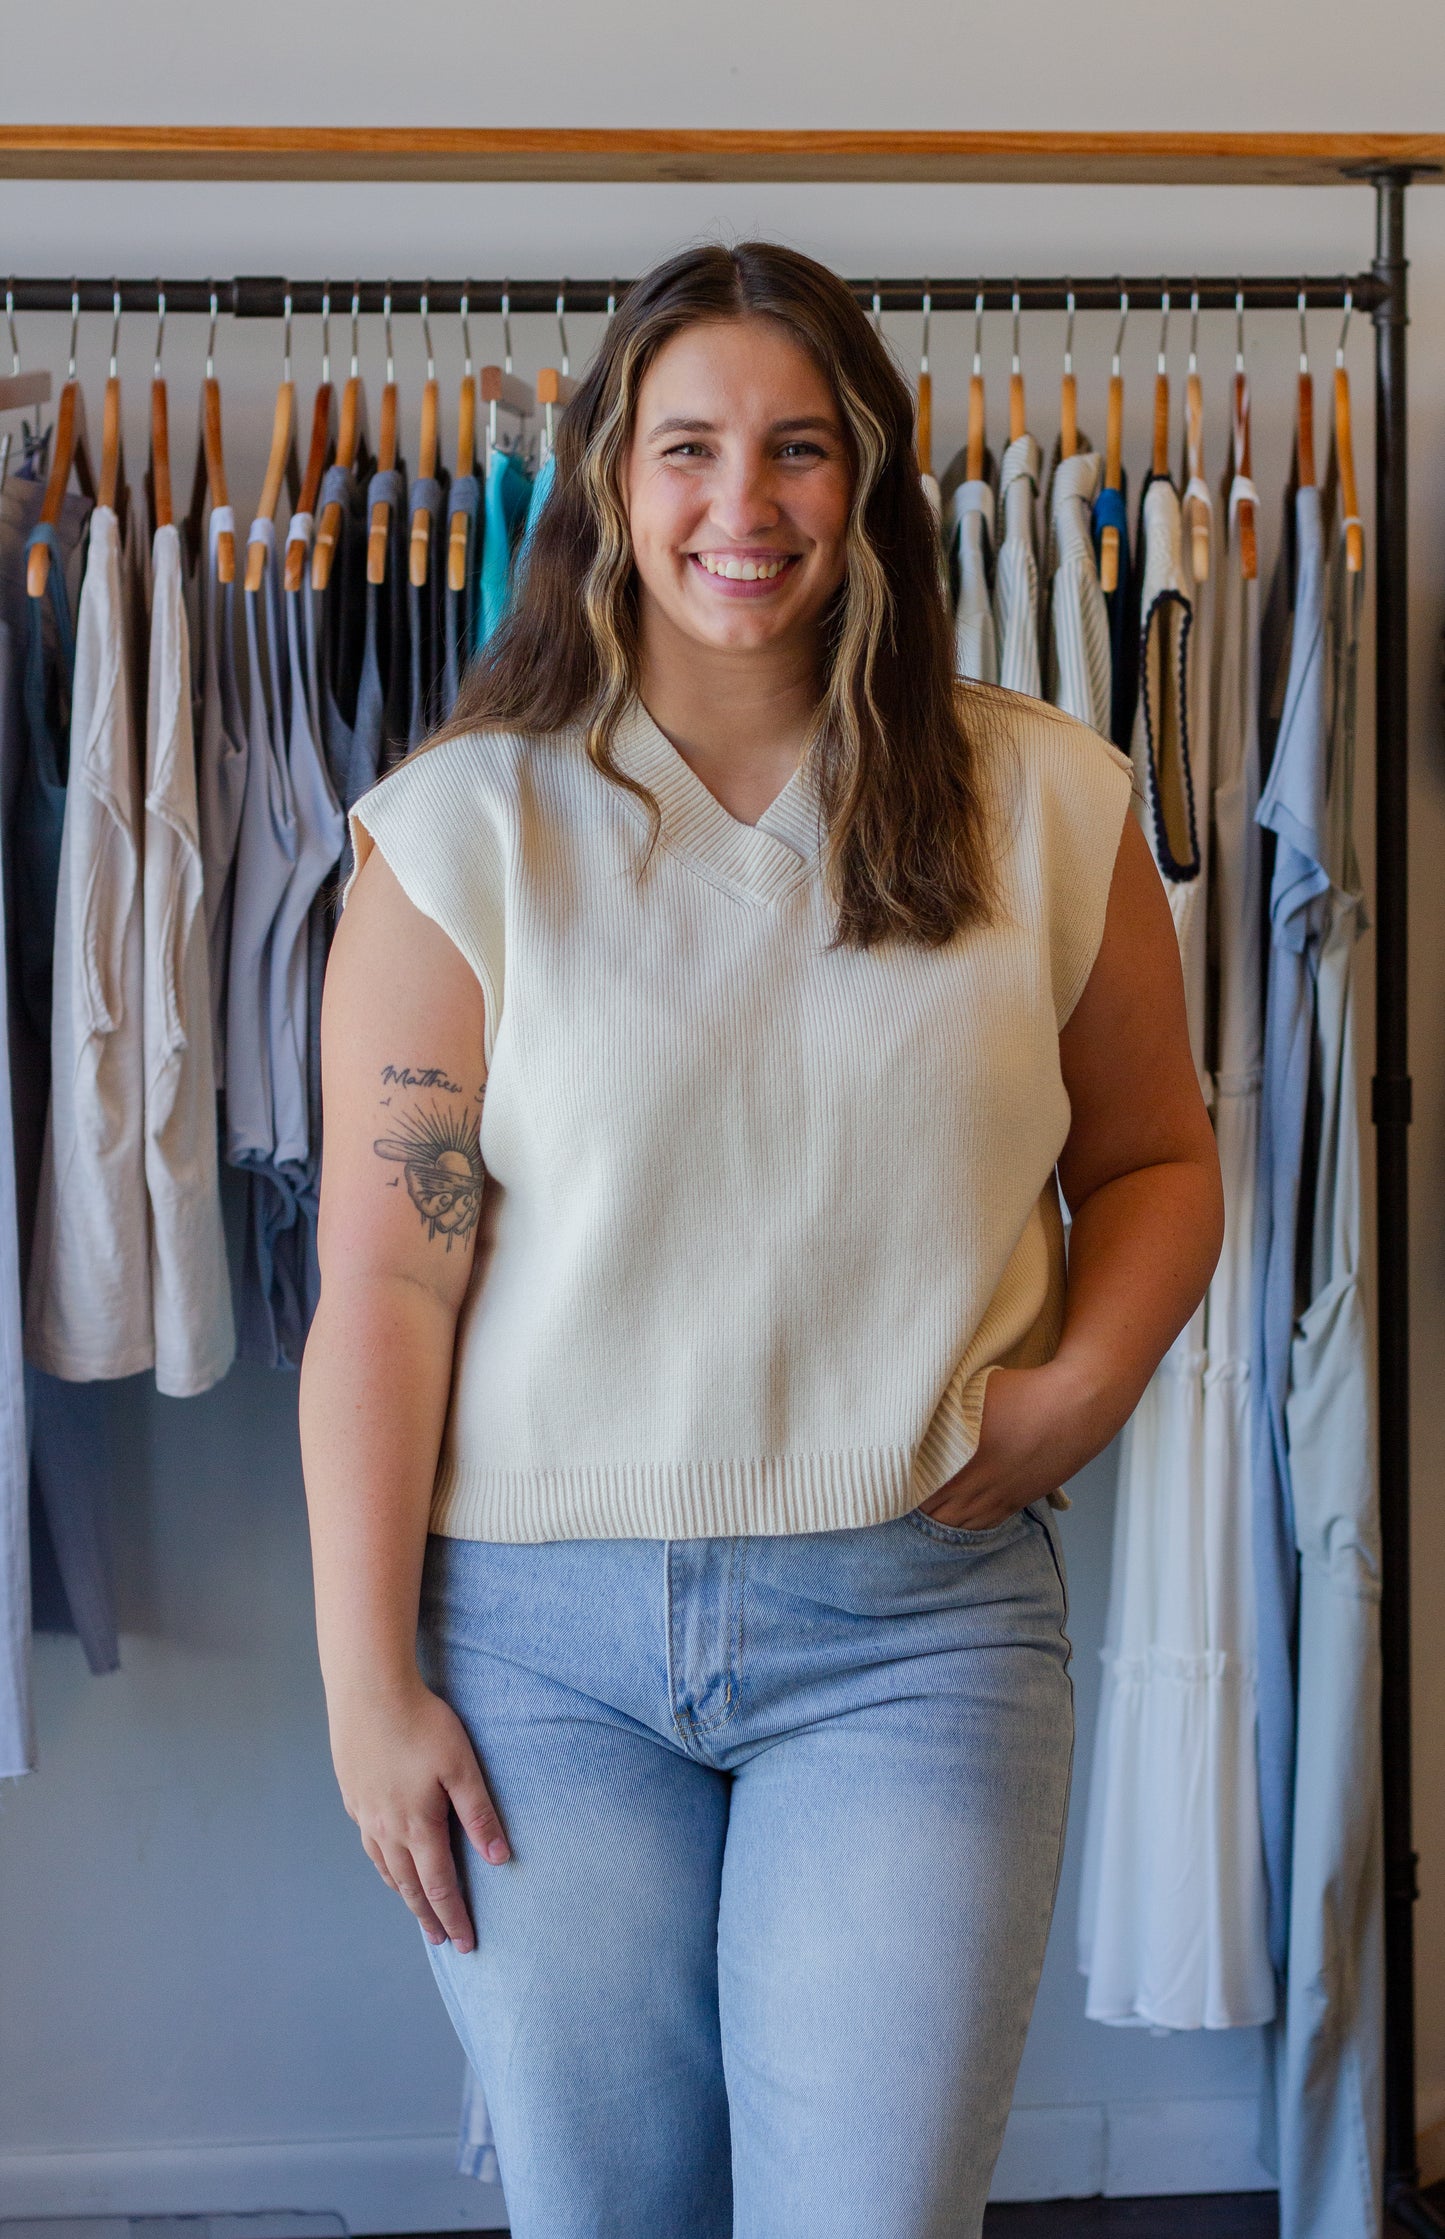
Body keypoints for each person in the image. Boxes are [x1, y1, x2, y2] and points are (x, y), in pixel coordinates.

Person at [298, 241, 1223, 2239]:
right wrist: (366, 1681)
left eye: (800, 450)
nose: (746, 505)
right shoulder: (462, 833)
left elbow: (1159, 1158)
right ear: (611, 485)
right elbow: (385, 1279)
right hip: (537, 1655)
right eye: (691, 448)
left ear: (871, 479)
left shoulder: (1049, 804)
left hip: (920, 1634)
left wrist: (1088, 1381)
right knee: (606, 2213)